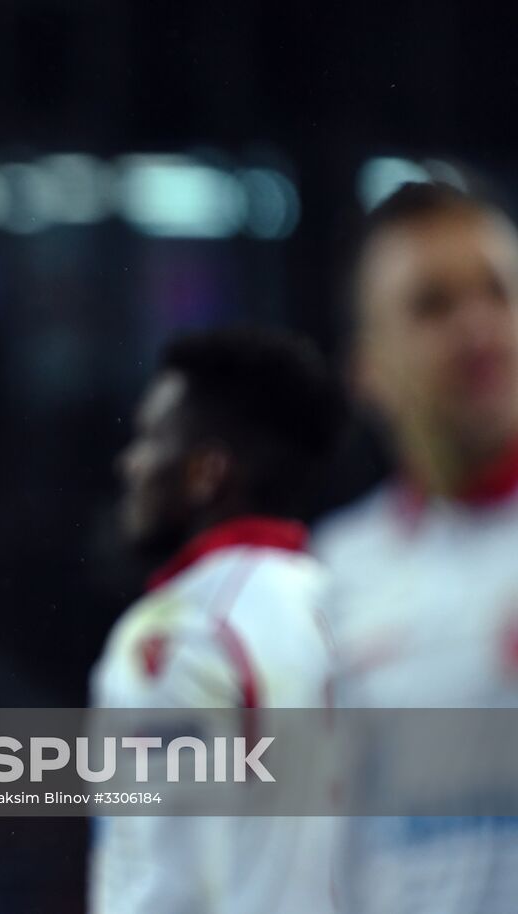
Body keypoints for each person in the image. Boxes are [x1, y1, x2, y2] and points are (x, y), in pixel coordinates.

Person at [89, 328, 345, 913]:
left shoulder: (176, 634)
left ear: (207, 472)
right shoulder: (352, 605)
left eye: (151, 439)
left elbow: (161, 887)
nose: (130, 464)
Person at [315, 181, 518, 912]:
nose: (478, 327)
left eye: (497, 293)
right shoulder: (325, 586)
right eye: (433, 304)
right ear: (368, 370)